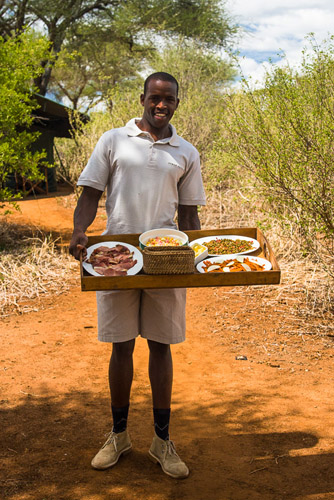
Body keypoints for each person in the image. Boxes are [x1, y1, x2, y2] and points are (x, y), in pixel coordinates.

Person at [69, 72, 206, 479]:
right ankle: (119, 435)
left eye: (169, 100)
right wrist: (80, 229)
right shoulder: (114, 140)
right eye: (155, 98)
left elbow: (189, 213)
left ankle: (162, 441)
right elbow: (90, 193)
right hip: (117, 257)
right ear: (142, 98)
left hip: (166, 260)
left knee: (161, 347)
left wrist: (196, 255)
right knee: (121, 347)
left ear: (177, 103)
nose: (160, 105)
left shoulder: (186, 151)